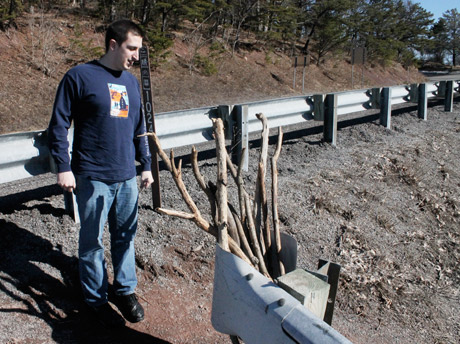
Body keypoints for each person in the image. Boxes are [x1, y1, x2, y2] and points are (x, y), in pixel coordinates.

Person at [48, 19, 154, 327]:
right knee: (92, 240)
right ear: (113, 44)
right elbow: (59, 125)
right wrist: (64, 166)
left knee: (126, 236)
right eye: (132, 48)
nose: (137, 56)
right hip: (92, 176)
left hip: (126, 176)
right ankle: (95, 299)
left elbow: (140, 127)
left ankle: (124, 289)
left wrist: (145, 165)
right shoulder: (79, 76)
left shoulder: (132, 83)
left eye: (139, 49)